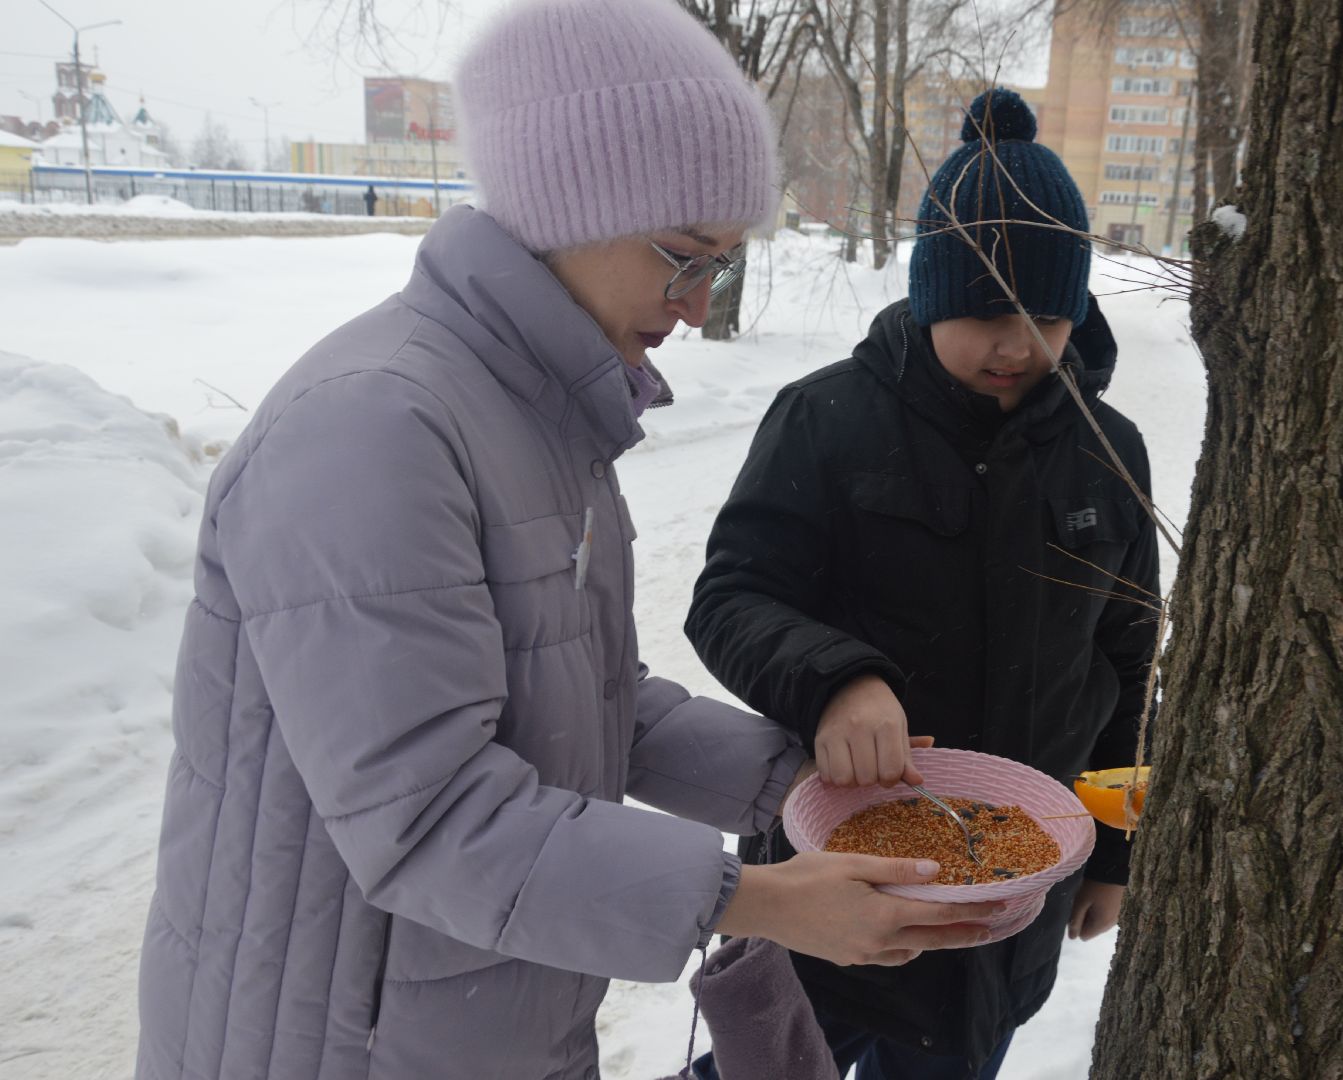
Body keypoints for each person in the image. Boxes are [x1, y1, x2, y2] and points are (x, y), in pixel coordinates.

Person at [133, 3, 1000, 1078]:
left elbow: (590, 706)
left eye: (719, 268)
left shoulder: (540, 414)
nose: (694, 306)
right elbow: (429, 815)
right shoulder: (373, 428)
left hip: (483, 1012)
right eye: (683, 259)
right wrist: (758, 902)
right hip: (334, 1041)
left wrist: (803, 787)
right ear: (567, 204)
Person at [685, 87, 1160, 1079]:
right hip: (833, 890)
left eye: (1045, 315)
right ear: (933, 293)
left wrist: (1110, 852)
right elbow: (730, 597)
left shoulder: (1107, 456)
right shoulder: (826, 422)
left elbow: (1121, 659)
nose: (1016, 345)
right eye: (986, 313)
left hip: (999, 917)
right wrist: (833, 678)